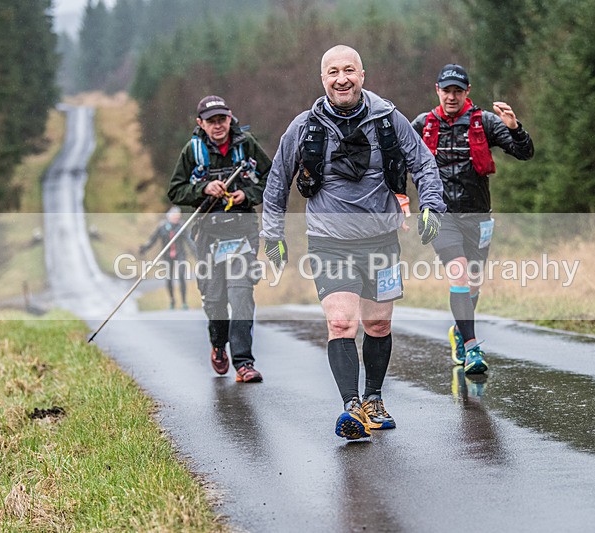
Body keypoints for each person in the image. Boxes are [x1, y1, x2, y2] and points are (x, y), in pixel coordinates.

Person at [261, 45, 446, 440]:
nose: (341, 78)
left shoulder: (388, 120)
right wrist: (272, 236)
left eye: (348, 70)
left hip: (381, 241)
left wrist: (432, 206)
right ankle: (352, 407)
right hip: (329, 242)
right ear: (322, 79)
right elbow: (277, 182)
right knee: (341, 322)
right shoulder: (303, 127)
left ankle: (374, 398)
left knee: (378, 324)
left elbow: (424, 164)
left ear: (363, 75)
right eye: (332, 72)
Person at [412, 64, 534, 374]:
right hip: (441, 216)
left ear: (467, 92)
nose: (451, 96)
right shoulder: (422, 124)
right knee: (460, 275)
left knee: (474, 283)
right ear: (437, 90)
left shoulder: (486, 122)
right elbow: (396, 158)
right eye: (446, 90)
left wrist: (515, 128)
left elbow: (525, 153)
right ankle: (472, 349)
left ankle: (458, 330)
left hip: (478, 215)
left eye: (457, 91)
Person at [168, 95, 271, 383]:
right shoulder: (193, 151)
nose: (217, 126)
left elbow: (271, 178)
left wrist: (246, 195)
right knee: (214, 299)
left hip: (242, 232)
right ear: (200, 123)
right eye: (211, 121)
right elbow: (175, 191)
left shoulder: (246, 144)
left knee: (241, 294)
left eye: (222, 119)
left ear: (230, 118)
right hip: (208, 234)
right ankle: (218, 344)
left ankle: (244, 363)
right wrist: (202, 189)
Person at [139, 206, 193, 310]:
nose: (177, 218)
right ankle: (172, 301)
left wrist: (196, 253)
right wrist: (145, 248)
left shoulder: (182, 226)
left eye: (179, 216)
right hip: (167, 255)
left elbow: (189, 241)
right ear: (169, 217)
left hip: (180, 254)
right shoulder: (162, 227)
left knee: (181, 276)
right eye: (175, 216)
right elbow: (153, 239)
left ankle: (184, 302)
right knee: (169, 279)